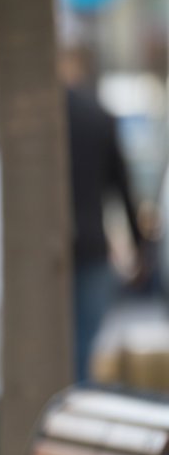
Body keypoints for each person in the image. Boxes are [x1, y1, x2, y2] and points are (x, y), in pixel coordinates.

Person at [60, 48, 147, 381]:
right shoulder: (99, 116)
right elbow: (123, 187)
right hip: (93, 245)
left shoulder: (41, 122)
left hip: (49, 251)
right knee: (85, 346)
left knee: (59, 344)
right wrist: (140, 247)